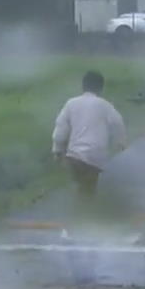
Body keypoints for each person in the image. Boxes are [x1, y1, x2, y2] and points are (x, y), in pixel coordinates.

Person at [52, 70, 127, 198]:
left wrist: (57, 150)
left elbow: (60, 129)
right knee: (89, 187)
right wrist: (120, 144)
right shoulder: (106, 106)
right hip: (95, 156)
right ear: (101, 88)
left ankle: (81, 208)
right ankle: (86, 210)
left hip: (75, 155)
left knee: (80, 184)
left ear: (83, 85)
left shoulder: (71, 103)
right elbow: (118, 124)